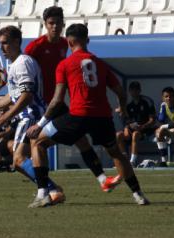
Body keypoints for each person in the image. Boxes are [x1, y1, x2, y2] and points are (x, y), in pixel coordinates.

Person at [26, 23, 149, 207]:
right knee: (117, 154)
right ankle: (138, 194)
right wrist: (122, 109)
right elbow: (121, 93)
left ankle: (43, 193)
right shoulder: (100, 64)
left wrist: (40, 124)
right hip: (102, 117)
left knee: (38, 142)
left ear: (68, 42)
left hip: (78, 116)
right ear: (88, 40)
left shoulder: (65, 64)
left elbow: (57, 100)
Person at [25, 6, 121, 193]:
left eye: (58, 23)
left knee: (80, 140)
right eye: (51, 23)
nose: (55, 26)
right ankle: (45, 190)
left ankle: (103, 180)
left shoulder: (64, 44)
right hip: (40, 103)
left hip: (56, 103)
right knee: (30, 147)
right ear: (45, 24)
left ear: (63, 24)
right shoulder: (34, 47)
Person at [0, 25, 65, 205]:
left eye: (5, 43)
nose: (2, 48)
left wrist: (3, 118)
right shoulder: (15, 64)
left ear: (17, 42)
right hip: (28, 115)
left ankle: (50, 189)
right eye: (0, 44)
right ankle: (51, 189)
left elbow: (26, 96)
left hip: (30, 115)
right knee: (17, 155)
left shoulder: (23, 63)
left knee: (18, 159)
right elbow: (14, 95)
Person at [116, 81, 156, 167]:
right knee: (118, 135)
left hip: (146, 130)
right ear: (129, 91)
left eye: (136, 89)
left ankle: (132, 162)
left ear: (140, 90)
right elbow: (127, 120)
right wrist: (127, 127)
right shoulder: (128, 105)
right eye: (132, 90)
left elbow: (152, 120)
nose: (134, 92)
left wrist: (143, 126)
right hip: (132, 129)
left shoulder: (147, 102)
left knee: (135, 134)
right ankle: (124, 160)